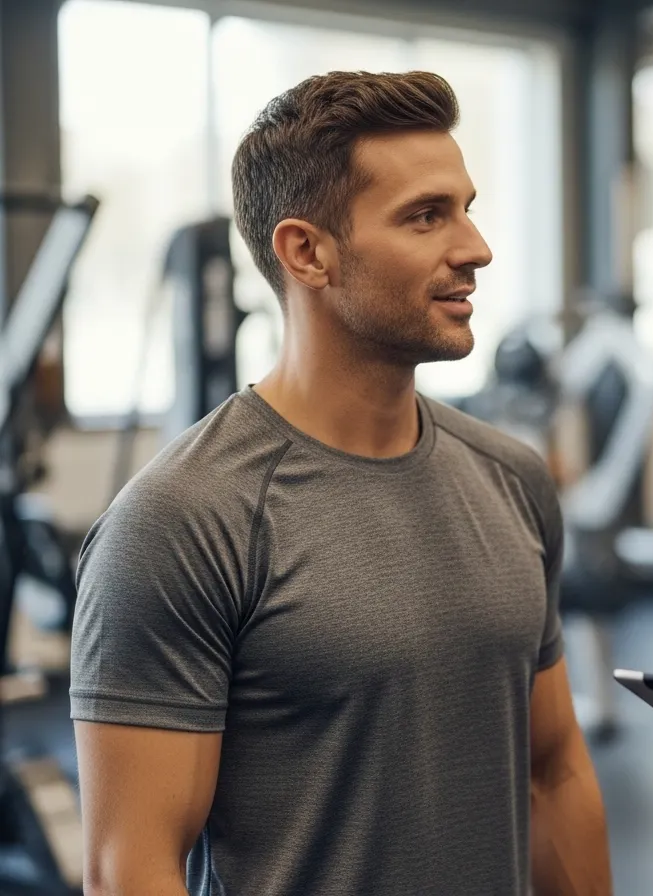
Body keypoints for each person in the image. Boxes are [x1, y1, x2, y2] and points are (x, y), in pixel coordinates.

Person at [70, 70, 611, 895]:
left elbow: (553, 772)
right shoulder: (184, 519)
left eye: (467, 207)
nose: (475, 247)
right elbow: (129, 869)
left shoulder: (513, 480)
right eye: (427, 216)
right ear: (307, 252)